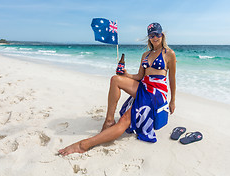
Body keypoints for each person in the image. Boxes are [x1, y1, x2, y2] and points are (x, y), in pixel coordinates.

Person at [58, 22, 176, 156]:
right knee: (115, 79)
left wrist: (172, 101)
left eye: (158, 34)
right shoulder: (145, 55)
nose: (155, 38)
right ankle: (109, 121)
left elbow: (172, 79)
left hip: (156, 93)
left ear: (162, 35)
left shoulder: (169, 54)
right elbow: (139, 76)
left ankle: (83, 145)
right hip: (144, 86)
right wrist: (126, 74)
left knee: (125, 119)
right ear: (149, 37)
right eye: (152, 35)